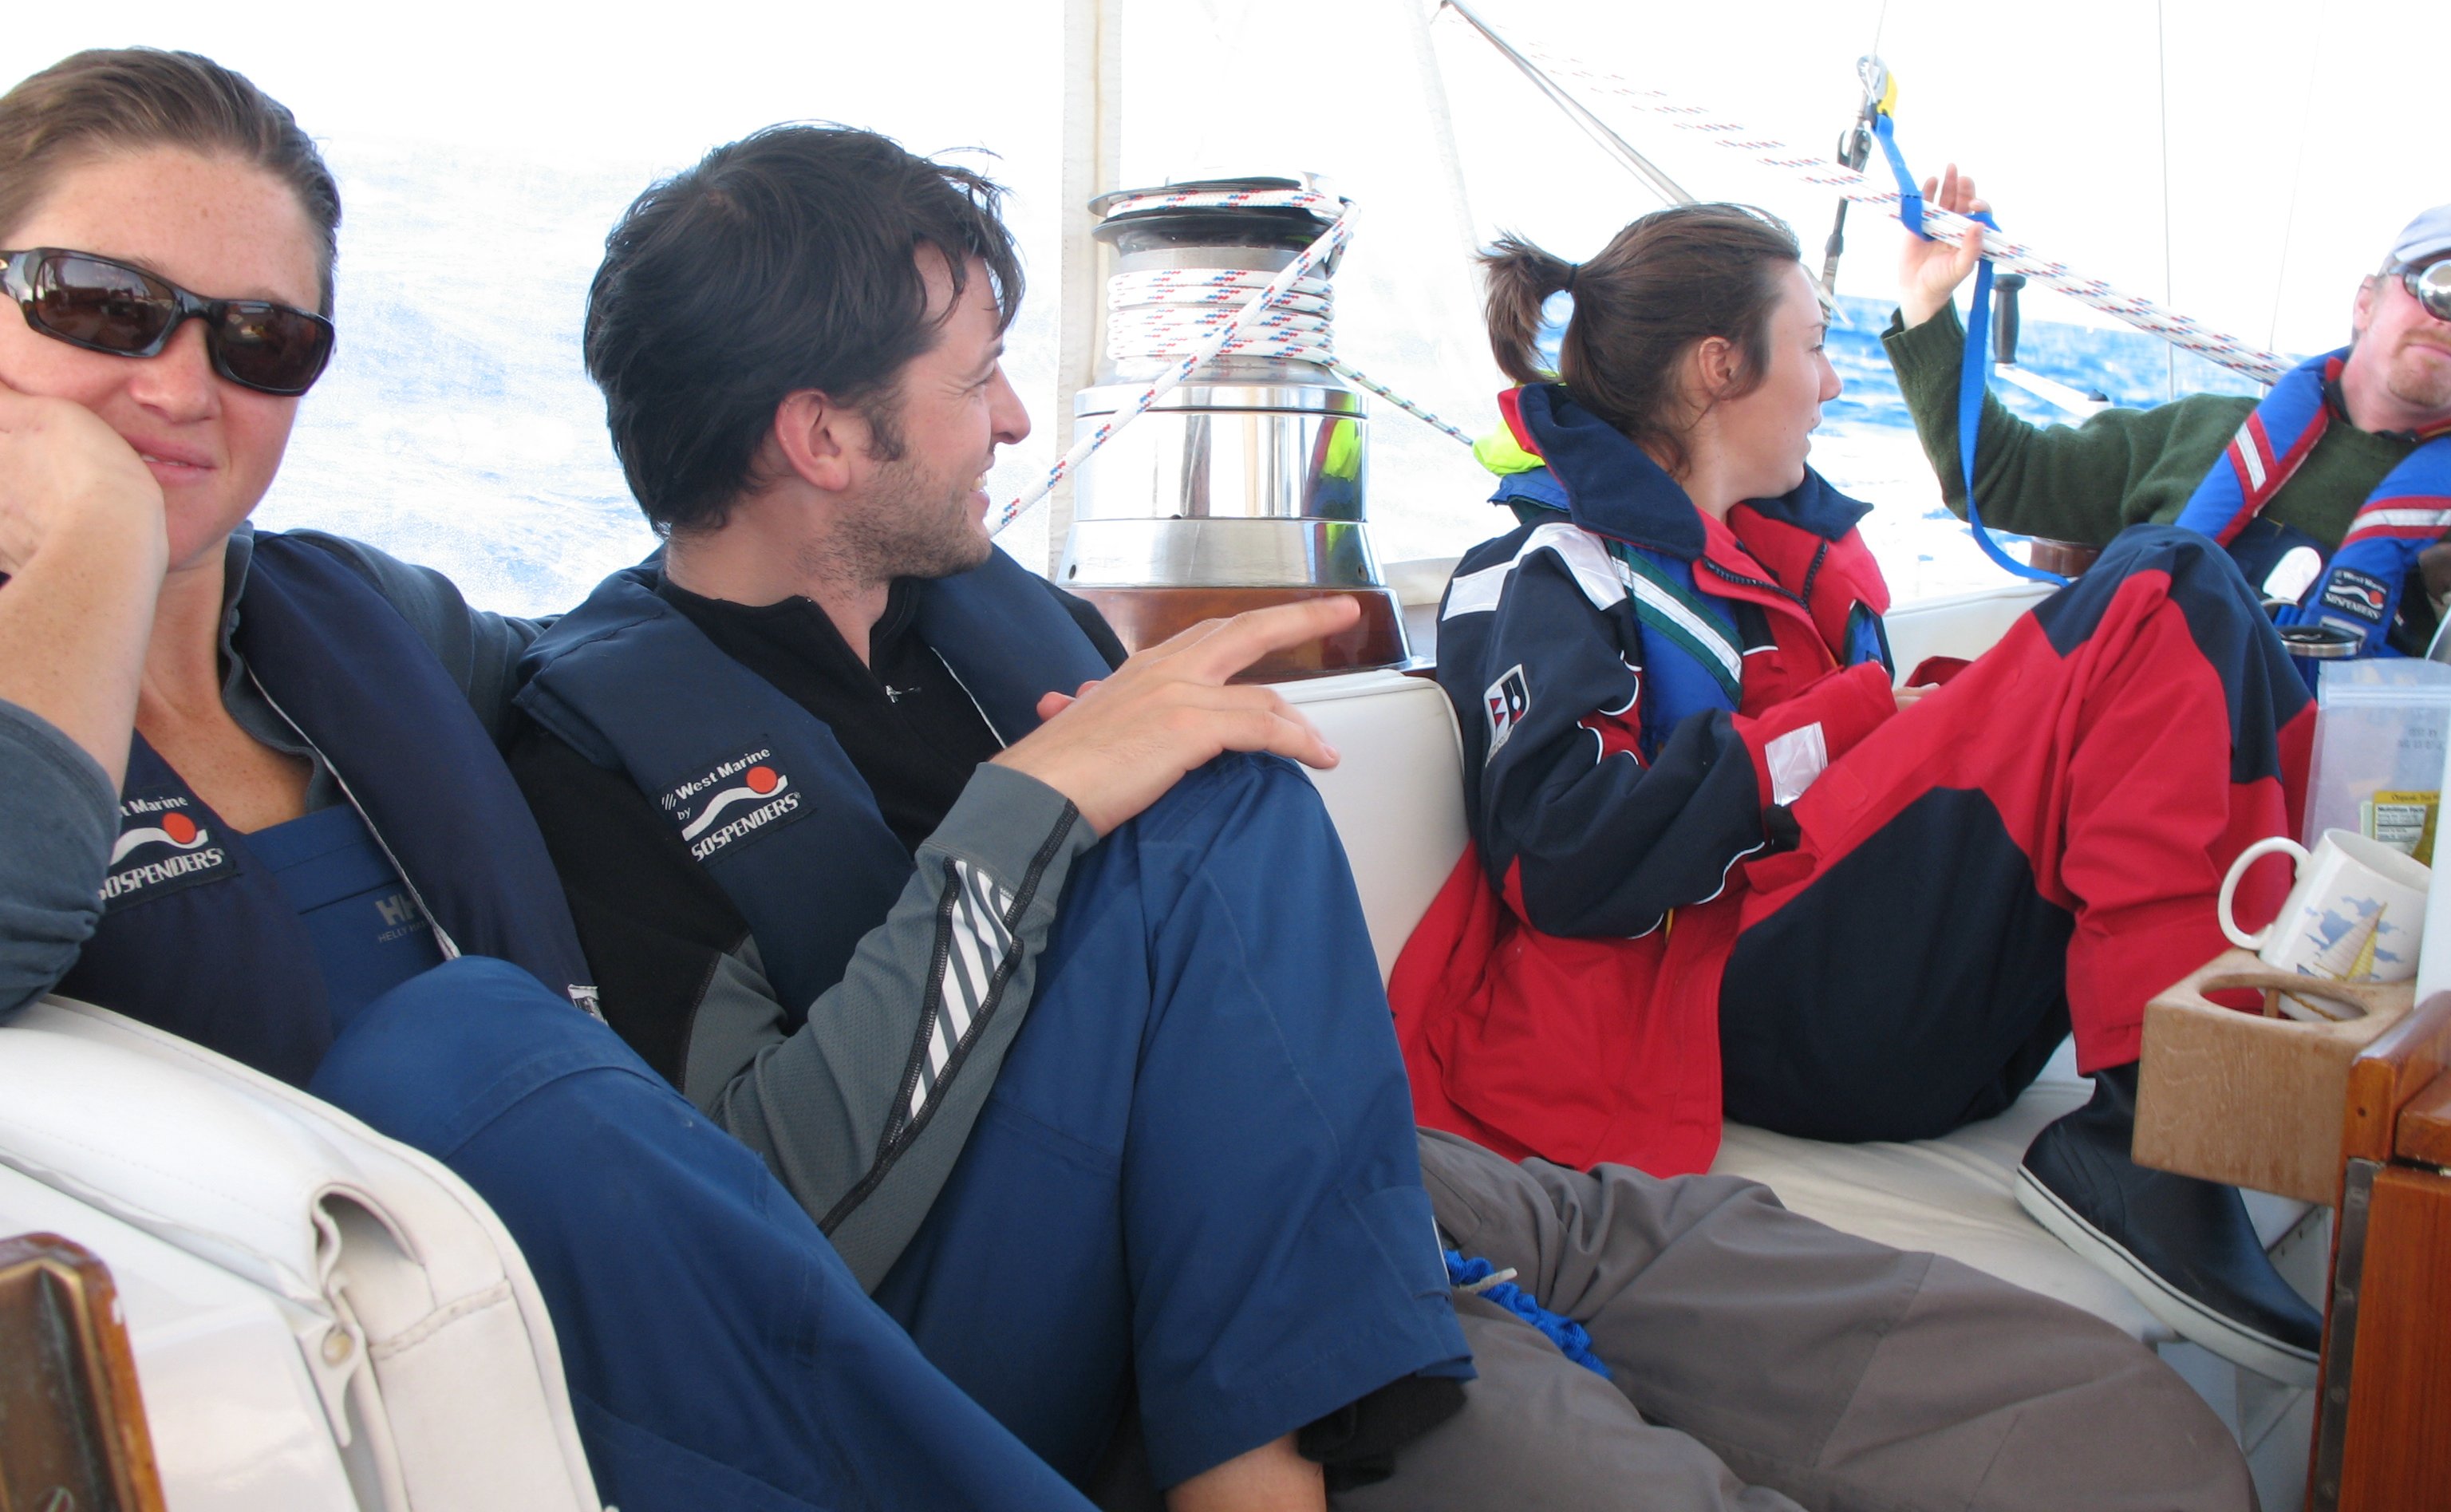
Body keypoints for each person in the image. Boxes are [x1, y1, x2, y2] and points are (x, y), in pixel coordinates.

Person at [499, 124, 2258, 1510]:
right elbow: (754, 1211)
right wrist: (1029, 811)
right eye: (975, 381)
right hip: (1115, 1288)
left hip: (1380, 1164)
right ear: (821, 436)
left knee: (2109, 1427)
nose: (1019, 419)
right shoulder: (604, 754)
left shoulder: (995, 623)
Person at [0, 46, 1393, 1512]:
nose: (181, 385)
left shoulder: (359, 628)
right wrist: (96, 532)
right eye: (98, 305)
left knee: (1219, 778)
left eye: (264, 340)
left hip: (706, 1305)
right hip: (415, 1411)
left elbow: (635, 658)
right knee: (459, 1049)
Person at [1389, 199, 2326, 1391]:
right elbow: (1562, 855)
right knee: (2165, 580)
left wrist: (1903, 717)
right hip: (1738, 1001)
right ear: (1720, 366)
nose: (1834, 382)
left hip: (1878, 998)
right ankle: (2158, 1138)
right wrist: (1840, 729)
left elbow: (1843, 768)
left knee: (2212, 611)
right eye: (1818, 345)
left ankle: (2224, 1077)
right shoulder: (1548, 568)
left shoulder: (1783, 568)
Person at [1886, 168, 2451, 657]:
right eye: (2436, 285)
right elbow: (1998, 475)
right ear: (2366, 300)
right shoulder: (2205, 433)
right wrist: (1926, 306)